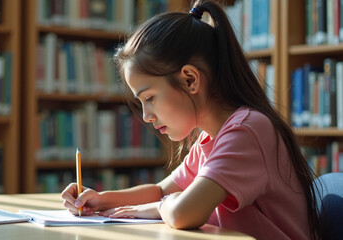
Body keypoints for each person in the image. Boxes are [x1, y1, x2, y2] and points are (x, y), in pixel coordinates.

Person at [61, 0, 323, 239]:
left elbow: (183, 213)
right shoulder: (210, 139)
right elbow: (160, 191)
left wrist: (159, 207)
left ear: (190, 80)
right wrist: (100, 200)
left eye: (149, 98)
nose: (146, 116)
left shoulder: (247, 131)